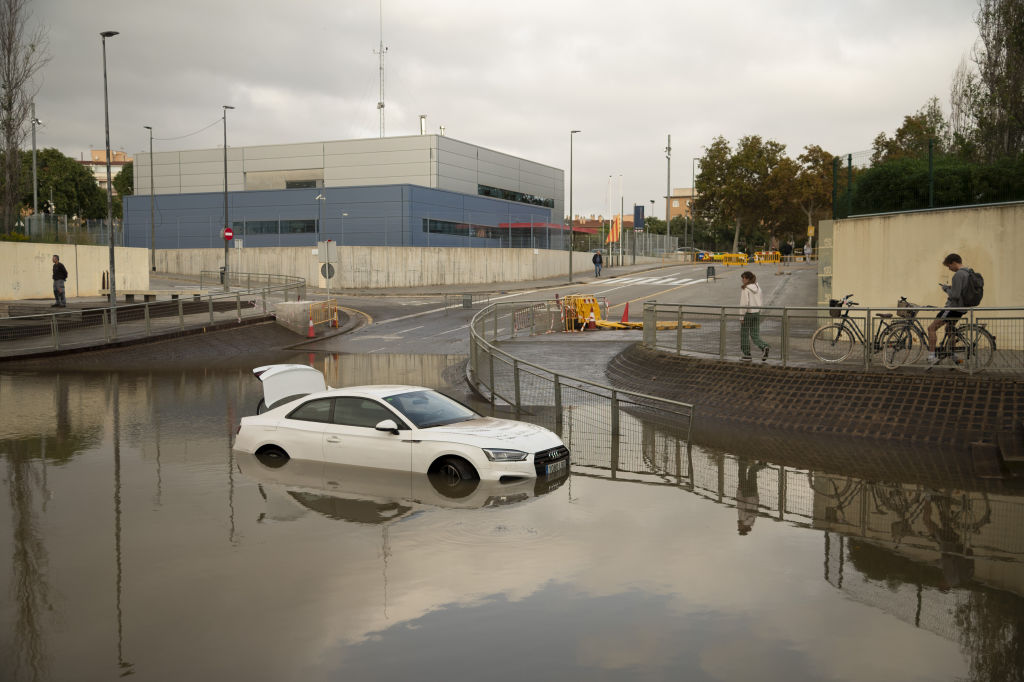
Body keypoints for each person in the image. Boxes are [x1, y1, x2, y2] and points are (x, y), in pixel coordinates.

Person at [927, 253, 969, 364]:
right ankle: (953, 354)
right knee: (950, 329)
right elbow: (961, 291)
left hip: (952, 308)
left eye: (949, 266)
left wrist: (946, 289)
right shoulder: (968, 272)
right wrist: (952, 287)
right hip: (961, 309)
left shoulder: (958, 275)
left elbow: (954, 295)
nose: (949, 269)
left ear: (954, 262)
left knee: (932, 328)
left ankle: (931, 356)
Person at [739, 271, 769, 361]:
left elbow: (744, 304)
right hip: (757, 313)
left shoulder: (745, 289)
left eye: (743, 278)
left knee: (744, 334)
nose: (742, 280)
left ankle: (746, 355)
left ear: (747, 279)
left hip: (748, 314)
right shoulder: (758, 287)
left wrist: (741, 317)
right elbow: (761, 300)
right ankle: (764, 346)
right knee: (754, 334)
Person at [736, 458, 766, 535]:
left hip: (752, 495)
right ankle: (743, 459)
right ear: (744, 528)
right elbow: (742, 504)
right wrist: (739, 491)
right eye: (740, 528)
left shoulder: (748, 520)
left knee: (751, 472)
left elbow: (751, 508)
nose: (738, 527)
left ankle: (762, 464)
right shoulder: (744, 520)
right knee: (743, 474)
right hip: (746, 494)